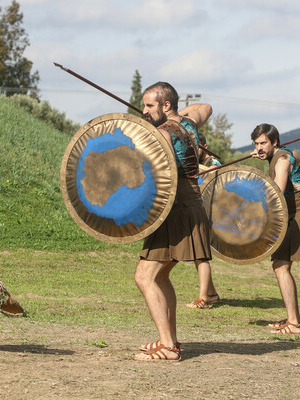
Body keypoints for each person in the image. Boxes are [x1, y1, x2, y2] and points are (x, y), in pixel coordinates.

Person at [134, 82, 212, 361]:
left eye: (150, 106)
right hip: (190, 205)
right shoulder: (189, 127)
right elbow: (206, 108)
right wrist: (176, 112)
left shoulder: (163, 133)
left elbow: (157, 176)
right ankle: (171, 340)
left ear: (166, 106)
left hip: (176, 208)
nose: (144, 111)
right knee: (161, 275)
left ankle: (168, 347)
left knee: (144, 277)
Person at [251, 123, 300, 334]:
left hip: (296, 213)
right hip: (289, 213)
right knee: (281, 265)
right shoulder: (277, 156)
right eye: (256, 143)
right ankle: (293, 318)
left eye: (263, 143)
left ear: (275, 142)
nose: (259, 147)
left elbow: (278, 191)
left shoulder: (281, 160)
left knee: (281, 266)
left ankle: (294, 323)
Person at [177, 106, 221, 310]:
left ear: (202, 146)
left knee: (200, 254)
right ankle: (210, 292)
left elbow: (215, 179)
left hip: (206, 209)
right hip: (193, 206)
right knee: (197, 253)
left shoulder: (212, 162)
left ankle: (206, 296)